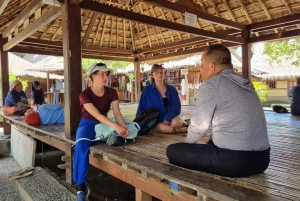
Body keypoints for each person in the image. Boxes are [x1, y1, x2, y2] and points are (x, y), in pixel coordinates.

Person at [166, 44, 270, 177]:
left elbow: (199, 126)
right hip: (262, 160)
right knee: (211, 140)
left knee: (173, 151)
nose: (200, 69)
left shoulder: (211, 84)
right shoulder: (245, 83)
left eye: (202, 65)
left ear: (211, 66)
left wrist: (186, 147)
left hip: (235, 161)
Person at [73, 62, 129, 201]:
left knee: (128, 130)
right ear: (94, 76)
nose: (106, 77)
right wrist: (115, 126)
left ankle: (113, 136)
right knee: (81, 146)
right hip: (88, 124)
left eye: (107, 74)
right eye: (102, 74)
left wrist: (122, 126)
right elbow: (97, 115)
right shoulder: (84, 94)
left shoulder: (112, 92)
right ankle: (81, 188)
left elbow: (116, 113)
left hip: (104, 124)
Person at [136, 64, 187, 134]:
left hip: (171, 119)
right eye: (156, 73)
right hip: (157, 121)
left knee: (176, 122)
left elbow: (177, 107)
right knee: (160, 127)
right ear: (152, 75)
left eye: (161, 72)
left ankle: (174, 126)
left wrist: (168, 118)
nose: (159, 74)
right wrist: (137, 124)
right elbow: (141, 108)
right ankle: (180, 130)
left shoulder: (172, 90)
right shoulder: (147, 91)